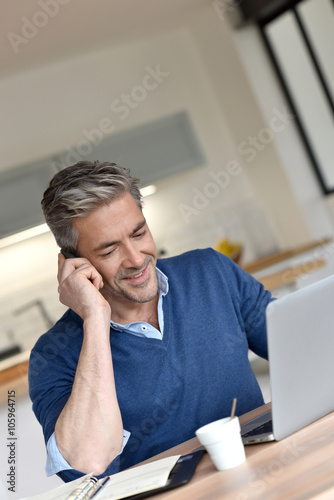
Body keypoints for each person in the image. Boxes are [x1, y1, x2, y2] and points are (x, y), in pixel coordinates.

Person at [29, 161, 272, 483]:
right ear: (74, 263)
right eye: (109, 250)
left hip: (266, 474)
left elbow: (304, 347)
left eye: (139, 233)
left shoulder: (211, 272)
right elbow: (89, 466)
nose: (135, 259)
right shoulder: (53, 355)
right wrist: (95, 321)